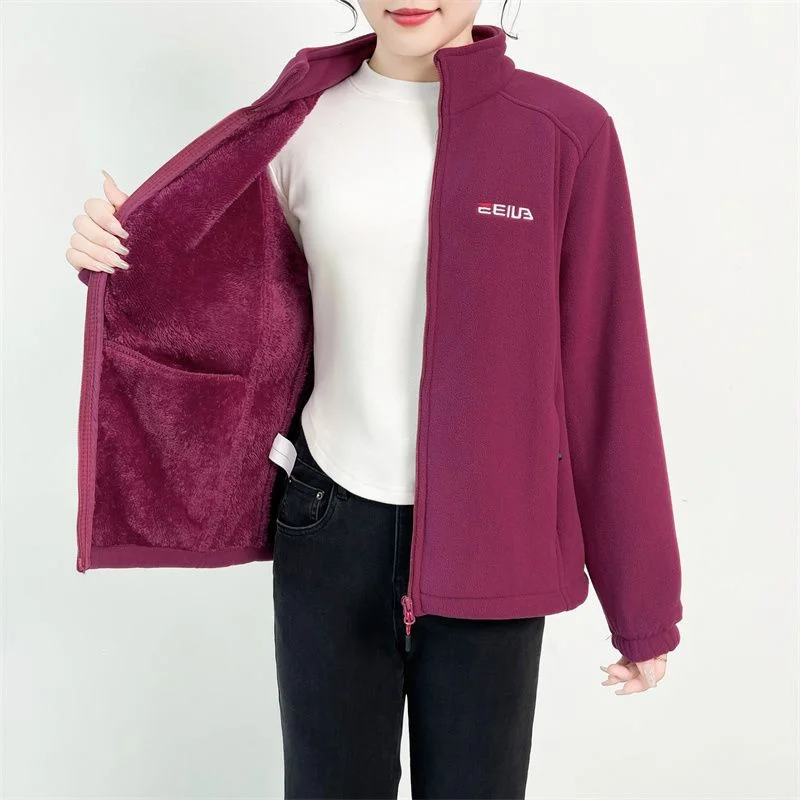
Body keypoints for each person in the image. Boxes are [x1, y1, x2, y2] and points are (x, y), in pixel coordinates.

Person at [66, 2, 683, 797]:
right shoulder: (299, 128)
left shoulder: (566, 132)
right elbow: (218, 303)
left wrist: (643, 603)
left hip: (498, 535)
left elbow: (605, 367)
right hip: (329, 525)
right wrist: (111, 256)